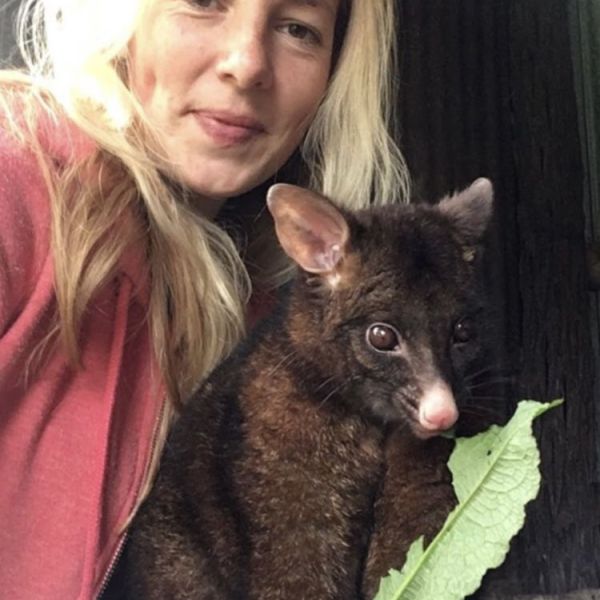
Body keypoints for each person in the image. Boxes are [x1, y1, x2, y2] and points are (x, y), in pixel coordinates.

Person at [0, 0, 409, 597]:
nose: (246, 64)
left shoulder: (279, 333)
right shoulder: (16, 172)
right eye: (201, 3)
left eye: (299, 29)